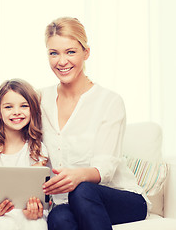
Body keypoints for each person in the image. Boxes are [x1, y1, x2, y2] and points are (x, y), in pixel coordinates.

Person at [40, 17, 148, 230]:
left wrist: (77, 176)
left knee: (82, 190)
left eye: (70, 52)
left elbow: (105, 168)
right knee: (58, 218)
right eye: (54, 53)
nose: (62, 61)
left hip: (121, 198)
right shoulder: (39, 99)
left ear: (86, 53)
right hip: (66, 202)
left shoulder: (109, 101)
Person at [0, 79, 49, 230]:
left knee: (37, 226)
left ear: (32, 110)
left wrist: (35, 210)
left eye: (24, 106)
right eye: (8, 107)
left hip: (31, 217)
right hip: (2, 217)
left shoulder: (37, 149)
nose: (16, 112)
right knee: (3, 226)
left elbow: (40, 195)